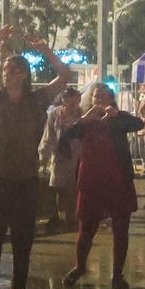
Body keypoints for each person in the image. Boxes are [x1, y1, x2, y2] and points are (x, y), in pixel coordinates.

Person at [0, 26, 72, 289]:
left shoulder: (38, 99)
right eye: (5, 71)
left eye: (12, 70)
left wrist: (46, 50)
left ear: (24, 74)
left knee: (23, 234)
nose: (6, 74)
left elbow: (66, 76)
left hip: (25, 177)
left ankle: (18, 286)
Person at [58, 83, 143, 289]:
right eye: (96, 96)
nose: (99, 100)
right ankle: (79, 267)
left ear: (111, 99)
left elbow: (139, 124)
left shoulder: (118, 118)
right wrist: (84, 120)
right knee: (86, 227)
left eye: (104, 96)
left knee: (121, 228)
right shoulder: (86, 121)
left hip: (118, 179)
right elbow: (65, 137)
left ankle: (117, 274)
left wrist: (117, 115)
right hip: (92, 180)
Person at [40, 85, 84, 233]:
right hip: (59, 155)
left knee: (74, 187)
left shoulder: (81, 114)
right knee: (59, 187)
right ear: (64, 100)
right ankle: (61, 215)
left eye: (75, 101)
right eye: (69, 100)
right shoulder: (55, 114)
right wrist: (44, 156)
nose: (72, 104)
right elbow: (49, 135)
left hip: (76, 155)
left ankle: (72, 216)